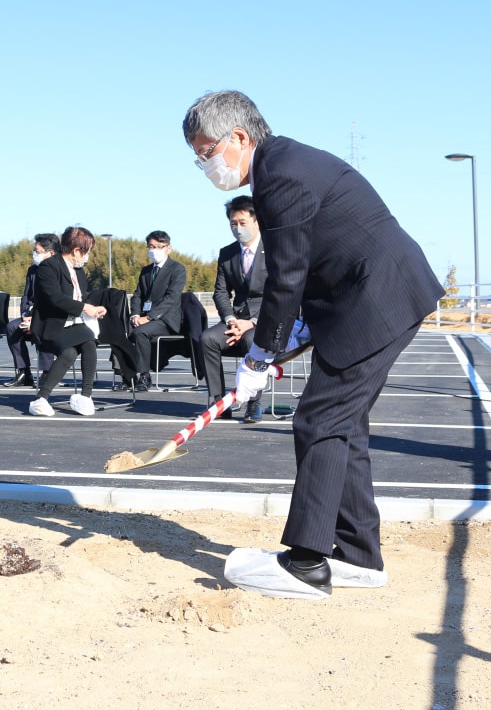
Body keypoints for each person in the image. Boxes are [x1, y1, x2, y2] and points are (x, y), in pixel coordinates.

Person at [182, 90, 442, 599]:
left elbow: (287, 276)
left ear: (239, 137)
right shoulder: (283, 164)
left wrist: (260, 354)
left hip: (377, 300)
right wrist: (291, 336)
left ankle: (305, 563)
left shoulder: (281, 174)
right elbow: (308, 269)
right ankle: (358, 555)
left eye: (207, 151)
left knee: (319, 420)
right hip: (366, 300)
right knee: (344, 427)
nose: (205, 165)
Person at [200, 196, 268, 422]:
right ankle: (218, 402)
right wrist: (230, 319)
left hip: (264, 320)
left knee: (252, 342)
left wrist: (253, 322)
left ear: (256, 221)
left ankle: (253, 403)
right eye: (233, 224)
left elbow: (281, 293)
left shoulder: (274, 249)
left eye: (242, 223)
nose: (237, 229)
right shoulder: (227, 253)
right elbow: (220, 292)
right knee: (208, 338)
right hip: (235, 319)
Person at [28, 226, 106, 417]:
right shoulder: (48, 267)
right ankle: (83, 396)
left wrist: (94, 307)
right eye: (87, 252)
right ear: (76, 250)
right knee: (88, 340)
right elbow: (55, 298)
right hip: (50, 325)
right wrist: (84, 308)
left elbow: (82, 296)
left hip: (73, 325)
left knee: (71, 352)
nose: (87, 257)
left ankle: (43, 399)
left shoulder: (79, 270)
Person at [127, 230, 186, 391]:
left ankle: (144, 376)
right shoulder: (146, 271)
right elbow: (138, 295)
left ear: (169, 248)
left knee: (140, 333)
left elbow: (171, 298)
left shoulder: (177, 269)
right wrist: (135, 314)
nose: (155, 250)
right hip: (145, 317)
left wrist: (150, 317)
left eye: (160, 246)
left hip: (166, 320)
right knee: (123, 329)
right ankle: (126, 374)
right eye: (151, 246)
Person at [3, 232, 59, 388]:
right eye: (34, 251)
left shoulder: (59, 271)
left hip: (50, 317)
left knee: (40, 327)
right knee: (12, 327)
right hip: (31, 316)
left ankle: (47, 372)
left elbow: (54, 301)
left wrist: (35, 318)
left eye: (38, 252)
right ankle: (24, 372)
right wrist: (25, 314)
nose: (35, 255)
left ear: (51, 253)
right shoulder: (32, 270)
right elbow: (26, 296)